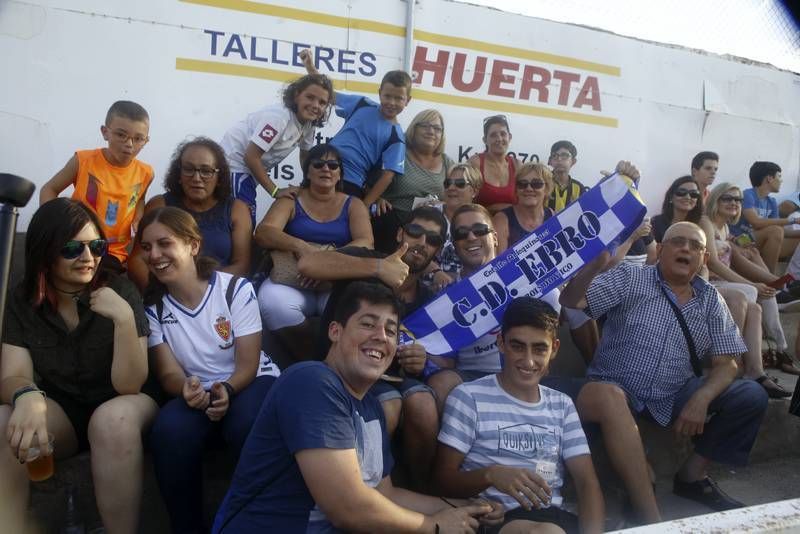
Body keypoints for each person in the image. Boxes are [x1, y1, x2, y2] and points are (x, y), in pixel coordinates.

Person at [431, 194, 662, 524]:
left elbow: (570, 299)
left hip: (537, 376)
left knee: (610, 395)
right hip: (476, 379)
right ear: (453, 243)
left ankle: (653, 519)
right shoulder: (448, 293)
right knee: (441, 384)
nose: (471, 238)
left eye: (479, 230)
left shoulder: (528, 273)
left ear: (495, 236)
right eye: (461, 234)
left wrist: (596, 261)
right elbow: (440, 359)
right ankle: (445, 502)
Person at [212, 281, 503, 533]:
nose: (381, 336)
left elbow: (385, 494)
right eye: (367, 323)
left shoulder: (371, 409)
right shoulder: (311, 381)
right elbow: (347, 507)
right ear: (335, 331)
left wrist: (467, 508)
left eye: (391, 330)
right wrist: (434, 525)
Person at [560, 221, 768, 511]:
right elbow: (571, 300)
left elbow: (728, 363)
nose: (686, 248)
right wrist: (594, 266)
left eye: (695, 245)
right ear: (661, 248)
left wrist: (701, 398)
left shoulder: (711, 299)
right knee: (611, 398)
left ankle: (692, 475)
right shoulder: (631, 277)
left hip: (673, 395)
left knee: (751, 395)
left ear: (704, 259)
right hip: (615, 388)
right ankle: (640, 477)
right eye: (678, 242)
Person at [0, 198, 157, 534]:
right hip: (65, 412)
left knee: (111, 420)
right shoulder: (22, 300)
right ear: (45, 252)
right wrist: (27, 395)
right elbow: (13, 373)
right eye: (72, 248)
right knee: (3, 419)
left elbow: (130, 385)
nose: (89, 259)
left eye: (96, 246)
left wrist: (125, 320)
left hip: (124, 404)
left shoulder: (119, 288)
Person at [137, 207, 279, 534]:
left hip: (252, 381)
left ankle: (256, 524)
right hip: (201, 391)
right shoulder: (154, 308)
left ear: (193, 245)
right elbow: (169, 373)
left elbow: (248, 363)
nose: (154, 255)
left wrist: (227, 390)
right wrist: (186, 387)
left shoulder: (234, 289)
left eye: (164, 244)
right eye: (146, 247)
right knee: (168, 432)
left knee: (246, 424)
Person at [297, 206, 447, 490]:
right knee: (387, 404)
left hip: (393, 376)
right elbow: (308, 264)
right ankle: (356, 494)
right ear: (400, 233)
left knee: (424, 404)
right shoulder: (368, 259)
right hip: (343, 373)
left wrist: (421, 360)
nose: (422, 242)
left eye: (433, 239)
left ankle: (422, 489)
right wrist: (378, 268)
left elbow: (443, 359)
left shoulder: (428, 300)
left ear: (437, 251)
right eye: (416, 232)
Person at [435, 297, 604, 534]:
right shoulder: (468, 397)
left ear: (554, 348)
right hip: (493, 517)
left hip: (553, 516)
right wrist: (491, 475)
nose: (528, 360)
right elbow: (442, 480)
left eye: (539, 348)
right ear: (501, 343)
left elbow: (587, 482)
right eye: (517, 346)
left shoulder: (562, 405)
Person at [255, 143, 373, 361]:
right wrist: (301, 247)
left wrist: (323, 264)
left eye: (332, 165)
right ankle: (309, 358)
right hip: (293, 278)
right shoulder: (291, 199)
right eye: (318, 164)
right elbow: (264, 232)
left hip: (334, 282)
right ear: (307, 171)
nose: (325, 169)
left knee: (355, 311)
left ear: (339, 174)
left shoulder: (353, 204)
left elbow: (366, 243)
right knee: (271, 301)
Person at [39, 100, 154, 272]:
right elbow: (49, 189)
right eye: (121, 135)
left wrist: (138, 218)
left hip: (113, 253)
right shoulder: (83, 161)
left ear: (146, 141)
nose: (129, 144)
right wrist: (54, 225)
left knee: (103, 292)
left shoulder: (146, 173)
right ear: (105, 132)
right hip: (76, 244)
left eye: (138, 139)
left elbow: (140, 198)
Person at [702, 183, 794, 394]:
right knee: (753, 292)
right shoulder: (705, 222)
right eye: (728, 198)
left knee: (758, 304)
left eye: (738, 200)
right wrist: (751, 285)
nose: (734, 203)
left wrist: (774, 282)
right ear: (716, 200)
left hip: (724, 283)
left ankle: (757, 369)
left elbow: (742, 264)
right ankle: (736, 360)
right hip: (707, 282)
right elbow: (713, 263)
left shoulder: (725, 228)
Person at [128, 137, 252, 290]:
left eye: (206, 171)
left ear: (219, 177)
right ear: (178, 174)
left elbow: (242, 266)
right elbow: (137, 260)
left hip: (219, 293)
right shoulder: (159, 205)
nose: (196, 178)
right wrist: (164, 295)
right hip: (163, 294)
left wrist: (200, 292)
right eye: (188, 169)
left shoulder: (237, 209)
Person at [220, 70, 334, 224]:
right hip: (234, 167)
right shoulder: (279, 117)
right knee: (242, 222)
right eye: (310, 97)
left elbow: (305, 156)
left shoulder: (309, 124)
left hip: (247, 174)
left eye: (322, 103)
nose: (315, 106)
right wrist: (275, 191)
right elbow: (251, 157)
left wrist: (308, 185)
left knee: (243, 221)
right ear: (296, 95)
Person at [301, 49, 409, 209]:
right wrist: (310, 68)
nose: (392, 102)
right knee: (302, 214)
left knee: (336, 229)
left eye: (398, 98)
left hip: (350, 183)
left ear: (408, 100)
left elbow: (388, 176)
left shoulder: (397, 137)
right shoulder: (362, 103)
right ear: (380, 94)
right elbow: (330, 95)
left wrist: (365, 205)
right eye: (387, 96)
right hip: (322, 169)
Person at [373, 109, 454, 253]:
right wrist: (377, 198)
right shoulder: (398, 151)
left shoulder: (447, 163)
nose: (431, 131)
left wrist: (441, 204)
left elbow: (456, 198)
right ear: (414, 129)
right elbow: (368, 183)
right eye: (425, 126)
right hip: (392, 224)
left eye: (437, 128)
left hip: (429, 232)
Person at [423, 163, 484, 291]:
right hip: (425, 288)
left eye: (460, 184)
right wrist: (436, 272)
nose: (451, 188)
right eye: (447, 183)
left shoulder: (481, 220)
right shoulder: (428, 213)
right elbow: (409, 249)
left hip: (466, 288)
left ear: (474, 191)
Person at [733, 161, 800, 274]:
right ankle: (770, 278)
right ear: (769, 178)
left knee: (792, 236)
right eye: (779, 176)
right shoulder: (747, 195)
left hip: (758, 241)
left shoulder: (772, 202)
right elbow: (756, 222)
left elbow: (782, 232)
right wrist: (793, 220)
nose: (781, 180)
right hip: (739, 240)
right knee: (775, 230)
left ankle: (794, 278)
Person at [493, 162, 554, 253]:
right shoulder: (502, 220)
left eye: (536, 184)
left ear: (547, 189)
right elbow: (500, 264)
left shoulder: (552, 215)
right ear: (516, 190)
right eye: (522, 184)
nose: (529, 189)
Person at [468, 115, 522, 214]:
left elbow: (525, 201)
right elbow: (465, 202)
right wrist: (496, 210)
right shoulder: (475, 163)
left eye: (503, 134)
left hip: (512, 227)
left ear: (509, 137)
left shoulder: (517, 165)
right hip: (481, 226)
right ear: (485, 140)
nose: (499, 139)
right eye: (493, 135)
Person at [650, 176, 703, 243]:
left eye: (694, 194)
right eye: (681, 192)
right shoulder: (656, 223)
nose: (688, 197)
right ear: (671, 197)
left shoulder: (702, 225)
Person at [546, 140, 588, 213]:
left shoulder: (579, 188)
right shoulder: (541, 183)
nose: (559, 159)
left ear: (573, 161)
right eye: (555, 156)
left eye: (564, 155)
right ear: (550, 161)